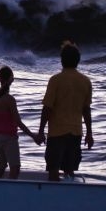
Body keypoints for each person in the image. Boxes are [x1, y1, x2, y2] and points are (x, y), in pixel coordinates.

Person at [37, 41, 94, 181]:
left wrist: (40, 131)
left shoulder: (55, 80)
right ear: (78, 61)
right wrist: (89, 133)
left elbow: (47, 108)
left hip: (57, 133)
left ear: (62, 60)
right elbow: (86, 110)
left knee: (53, 171)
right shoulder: (85, 81)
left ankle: (53, 199)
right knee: (70, 171)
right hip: (76, 133)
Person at [0, 66, 36, 180]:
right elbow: (18, 122)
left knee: (0, 169)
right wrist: (33, 136)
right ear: (11, 80)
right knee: (15, 169)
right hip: (9, 138)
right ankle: (9, 194)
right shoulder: (10, 100)